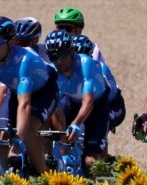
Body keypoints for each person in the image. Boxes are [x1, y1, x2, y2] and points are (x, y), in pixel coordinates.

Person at [0, 17, 59, 174]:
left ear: (11, 42)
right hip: (16, 91)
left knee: (28, 132)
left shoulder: (25, 60)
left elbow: (25, 104)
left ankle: (45, 176)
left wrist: (19, 136)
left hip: (44, 91)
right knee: (1, 133)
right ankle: (2, 181)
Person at [46, 30, 110, 168]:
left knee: (90, 161)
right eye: (53, 56)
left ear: (71, 52)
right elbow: (51, 103)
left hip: (97, 105)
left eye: (62, 55)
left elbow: (88, 101)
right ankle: (65, 153)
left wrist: (76, 124)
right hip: (73, 101)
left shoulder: (85, 63)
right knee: (55, 111)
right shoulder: (53, 70)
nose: (58, 61)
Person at [74, 34, 126, 132]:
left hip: (112, 105)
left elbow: (110, 98)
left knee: (97, 126)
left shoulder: (100, 69)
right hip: (88, 105)